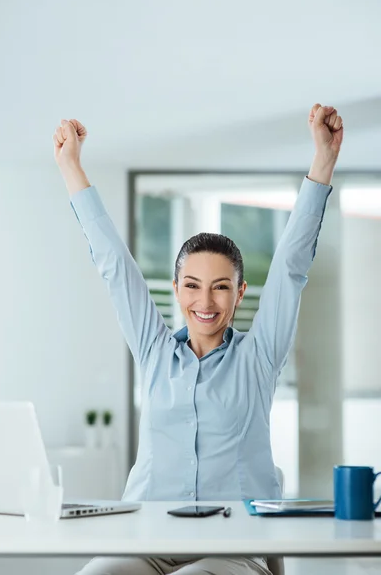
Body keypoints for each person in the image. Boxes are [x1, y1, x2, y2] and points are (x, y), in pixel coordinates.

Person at [53, 103, 343, 575]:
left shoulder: (258, 357)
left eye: (221, 286)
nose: (204, 301)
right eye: (192, 284)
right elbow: (113, 264)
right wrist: (71, 167)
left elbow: (291, 266)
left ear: (240, 292)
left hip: (232, 545)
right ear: (176, 289)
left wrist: (323, 161)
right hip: (147, 538)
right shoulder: (153, 351)